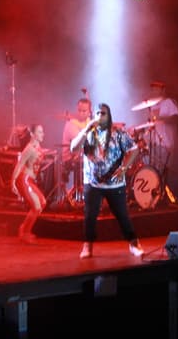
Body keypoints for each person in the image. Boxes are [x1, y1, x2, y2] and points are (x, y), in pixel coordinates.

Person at [70, 103, 144, 259]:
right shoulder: (88, 133)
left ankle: (133, 243)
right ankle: (87, 246)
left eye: (103, 113)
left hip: (114, 183)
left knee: (122, 215)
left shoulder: (118, 133)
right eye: (97, 113)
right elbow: (73, 148)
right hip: (93, 182)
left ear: (108, 116)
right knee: (90, 215)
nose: (100, 116)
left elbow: (134, 149)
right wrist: (87, 128)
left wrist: (124, 168)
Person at [10, 123, 48, 243]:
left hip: (30, 180)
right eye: (40, 132)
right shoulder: (29, 149)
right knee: (36, 206)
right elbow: (19, 164)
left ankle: (24, 228)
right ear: (32, 134)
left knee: (42, 203)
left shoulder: (37, 146)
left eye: (42, 132)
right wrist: (13, 182)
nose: (43, 134)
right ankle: (25, 232)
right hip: (24, 179)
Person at [60, 95, 93, 205]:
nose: (81, 113)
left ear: (89, 112)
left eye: (84, 111)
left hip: (83, 157)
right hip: (70, 158)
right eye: (79, 110)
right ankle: (83, 195)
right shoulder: (71, 124)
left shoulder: (88, 121)